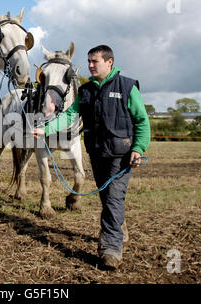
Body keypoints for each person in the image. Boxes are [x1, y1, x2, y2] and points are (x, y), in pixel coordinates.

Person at [32, 45, 151, 270]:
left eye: (95, 61)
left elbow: (142, 121)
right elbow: (68, 115)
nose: (90, 65)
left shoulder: (127, 87)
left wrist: (139, 148)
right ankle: (120, 226)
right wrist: (45, 130)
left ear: (110, 62)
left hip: (121, 154)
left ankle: (110, 248)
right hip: (96, 153)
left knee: (114, 197)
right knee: (107, 197)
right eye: (88, 61)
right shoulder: (86, 92)